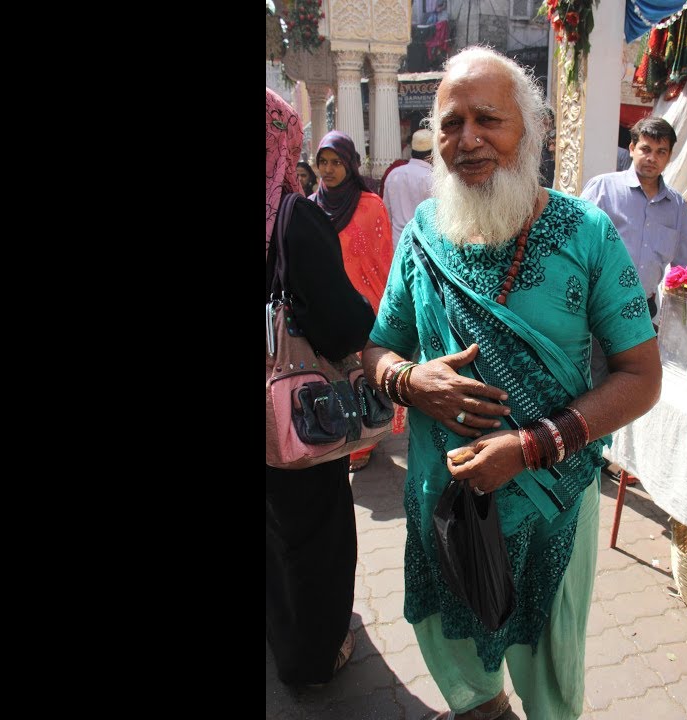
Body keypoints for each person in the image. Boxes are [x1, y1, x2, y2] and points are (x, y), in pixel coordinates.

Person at [362, 47, 662, 720]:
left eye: (488, 120)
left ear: (530, 130)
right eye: (450, 123)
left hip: (551, 508)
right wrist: (410, 381)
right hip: (445, 501)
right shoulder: (420, 236)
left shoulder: (585, 233)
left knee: (551, 678)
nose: (466, 140)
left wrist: (529, 447)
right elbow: (377, 349)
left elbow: (642, 377)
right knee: (458, 659)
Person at [266, 88, 373, 688]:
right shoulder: (293, 215)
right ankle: (311, 656)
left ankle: (282, 631)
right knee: (312, 535)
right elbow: (339, 323)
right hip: (290, 412)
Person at [310, 130, 398, 472]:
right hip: (326, 308)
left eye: (337, 162)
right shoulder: (311, 205)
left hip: (364, 307)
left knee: (362, 376)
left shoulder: (369, 205)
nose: (328, 170)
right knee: (333, 375)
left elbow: (383, 259)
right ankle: (342, 432)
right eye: (323, 162)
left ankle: (364, 441)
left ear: (351, 165)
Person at [581, 116, 687, 323]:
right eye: (645, 149)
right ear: (631, 148)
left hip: (644, 314)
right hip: (596, 310)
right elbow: (576, 244)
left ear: (669, 156)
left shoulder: (677, 206)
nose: (652, 158)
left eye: (660, 152)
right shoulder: (602, 189)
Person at [382, 128, 435, 248]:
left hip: (398, 244)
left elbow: (386, 214)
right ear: (432, 154)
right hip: (424, 246)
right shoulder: (431, 178)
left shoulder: (394, 174)